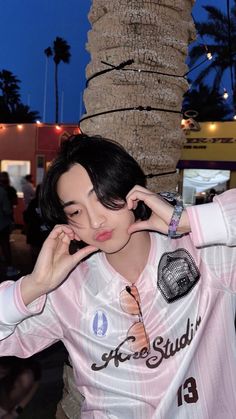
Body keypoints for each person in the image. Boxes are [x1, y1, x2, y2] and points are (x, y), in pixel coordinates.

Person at [0, 134, 235, 419]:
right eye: (75, 211)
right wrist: (32, 287)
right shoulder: (67, 293)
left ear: (131, 191)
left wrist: (188, 221)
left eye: (103, 198)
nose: (95, 221)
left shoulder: (204, 254)